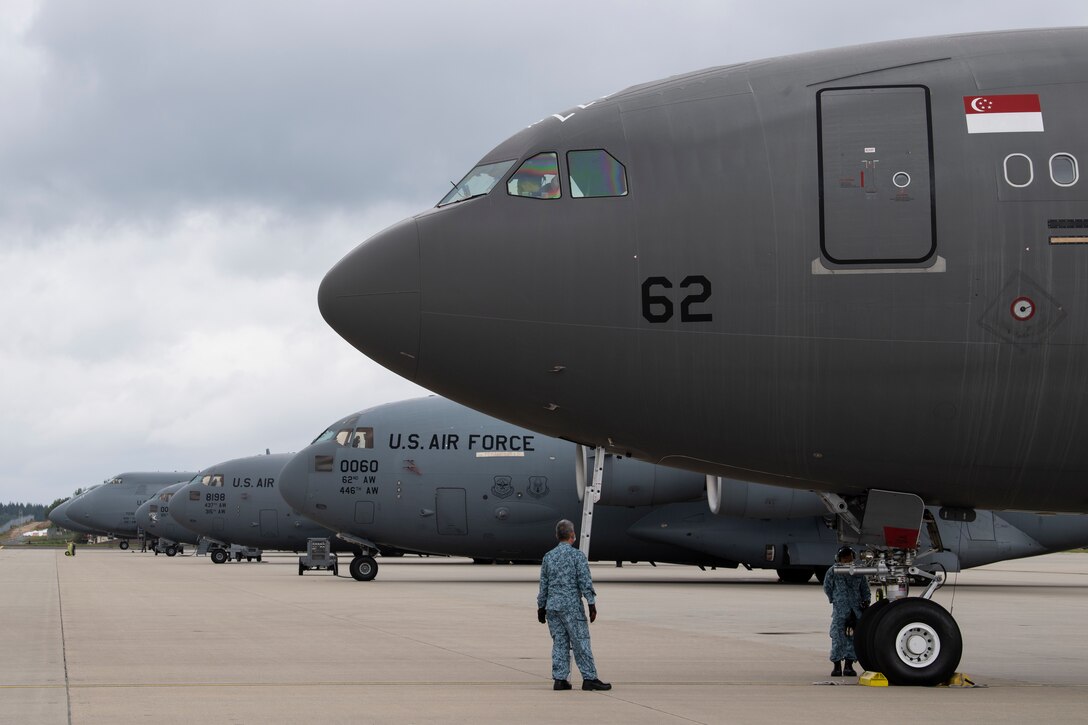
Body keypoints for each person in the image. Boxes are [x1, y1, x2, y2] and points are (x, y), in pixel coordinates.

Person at [536, 519, 611, 691]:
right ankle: (589, 677)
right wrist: (591, 603)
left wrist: (541, 607)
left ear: (557, 536)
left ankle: (560, 679)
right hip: (571, 607)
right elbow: (585, 581)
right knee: (580, 641)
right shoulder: (577, 556)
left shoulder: (549, 556)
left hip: (553, 607)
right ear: (572, 535)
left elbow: (544, 584)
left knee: (560, 642)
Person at [823, 546, 871, 676]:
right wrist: (835, 600)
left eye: (849, 556)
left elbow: (865, 590)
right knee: (838, 637)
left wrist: (866, 602)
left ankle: (849, 665)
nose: (847, 559)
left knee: (853, 638)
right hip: (840, 610)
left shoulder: (858, 572)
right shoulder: (833, 571)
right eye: (844, 557)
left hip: (855, 610)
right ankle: (837, 665)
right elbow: (827, 587)